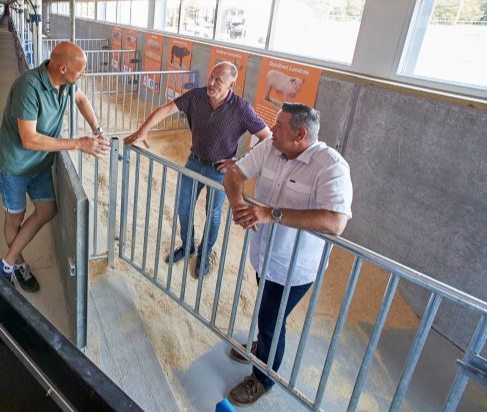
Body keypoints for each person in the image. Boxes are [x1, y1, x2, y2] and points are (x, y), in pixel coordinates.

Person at [222, 103, 353, 406]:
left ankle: (263, 377)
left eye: (279, 124)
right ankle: (262, 346)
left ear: (300, 134)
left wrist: (273, 214)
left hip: (296, 268)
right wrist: (238, 204)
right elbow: (234, 174)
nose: (272, 128)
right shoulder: (270, 147)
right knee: (267, 312)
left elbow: (335, 222)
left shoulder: (331, 166)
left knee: (271, 319)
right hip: (265, 255)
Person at [124, 62, 271, 278]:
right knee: (183, 208)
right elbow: (166, 109)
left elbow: (267, 137)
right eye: (211, 77)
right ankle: (188, 245)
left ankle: (205, 252)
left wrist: (241, 161)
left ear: (231, 84)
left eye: (218, 80)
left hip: (220, 170)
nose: (211, 83)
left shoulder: (241, 108)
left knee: (213, 214)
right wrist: (143, 131)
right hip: (194, 161)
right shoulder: (196, 96)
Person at [0, 41, 109, 291]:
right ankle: (18, 264)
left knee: (47, 210)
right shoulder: (28, 87)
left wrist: (97, 130)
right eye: (81, 70)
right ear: (64, 68)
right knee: (15, 218)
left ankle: (6, 263)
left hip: (39, 164)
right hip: (14, 165)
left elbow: (82, 100)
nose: (83, 74)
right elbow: (29, 138)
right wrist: (78, 144)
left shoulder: (66, 84)